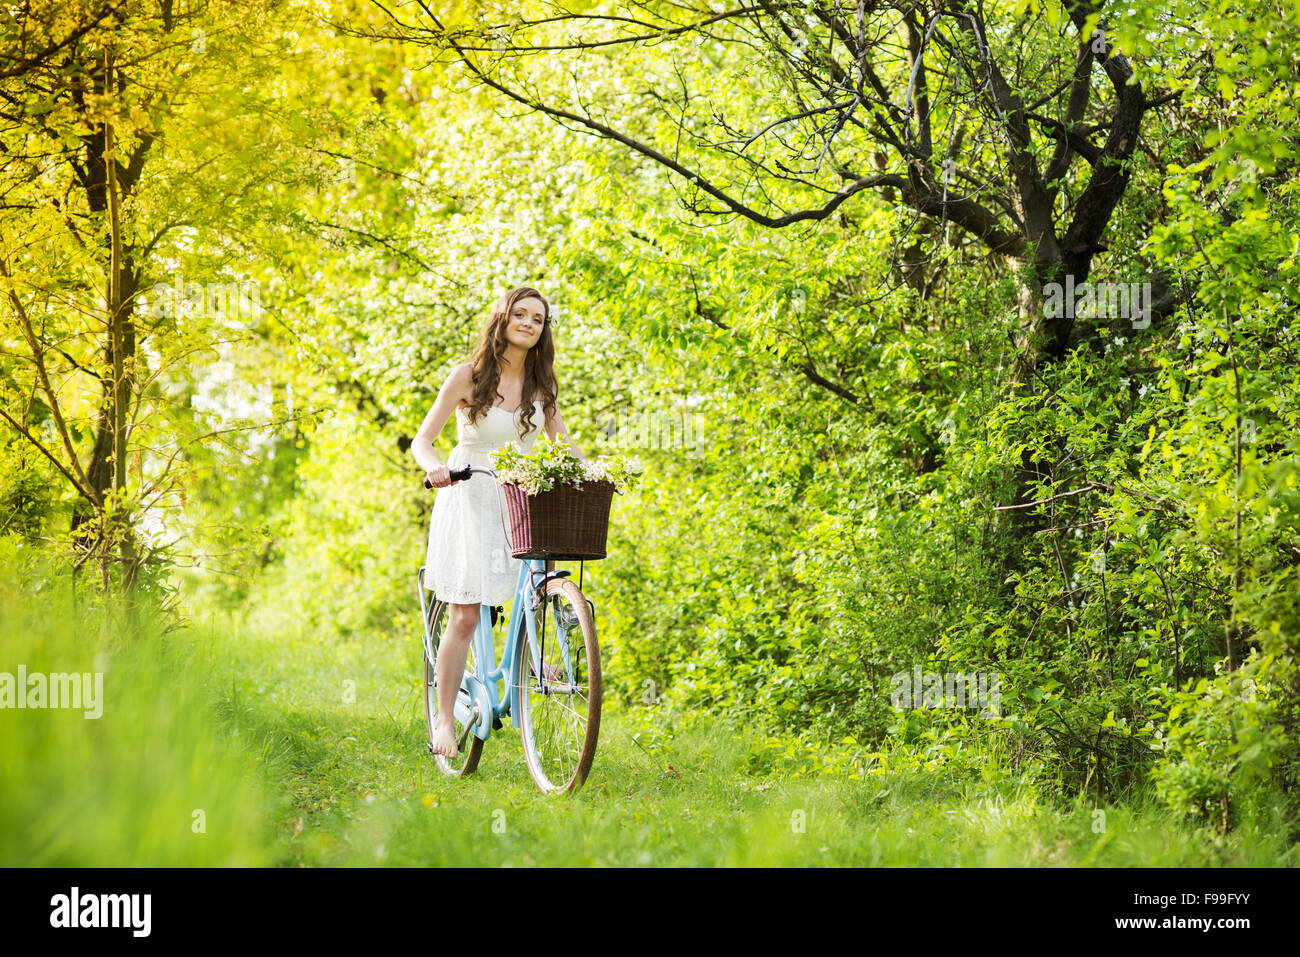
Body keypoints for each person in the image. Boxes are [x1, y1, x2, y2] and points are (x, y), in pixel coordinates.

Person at [411, 286, 585, 759]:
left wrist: (590, 475)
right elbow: (423, 440)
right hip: (468, 492)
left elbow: (563, 446)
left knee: (537, 585)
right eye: (522, 314)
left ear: (542, 331)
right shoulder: (468, 376)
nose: (529, 323)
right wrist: (434, 467)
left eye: (538, 319)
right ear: (504, 318)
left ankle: (533, 658)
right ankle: (444, 720)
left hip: (519, 496)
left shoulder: (542, 388)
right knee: (467, 614)